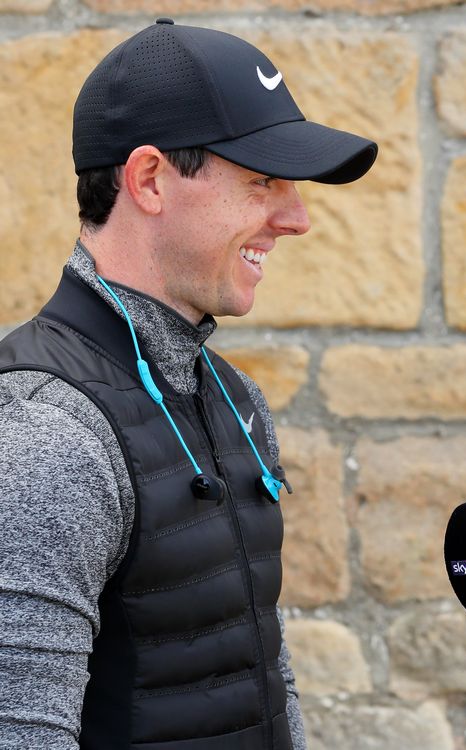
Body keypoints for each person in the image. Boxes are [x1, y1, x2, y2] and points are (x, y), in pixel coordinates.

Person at [0, 19, 376, 749]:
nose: (295, 218)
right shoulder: (43, 431)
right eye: (262, 180)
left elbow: (265, 678)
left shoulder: (235, 400)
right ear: (148, 180)